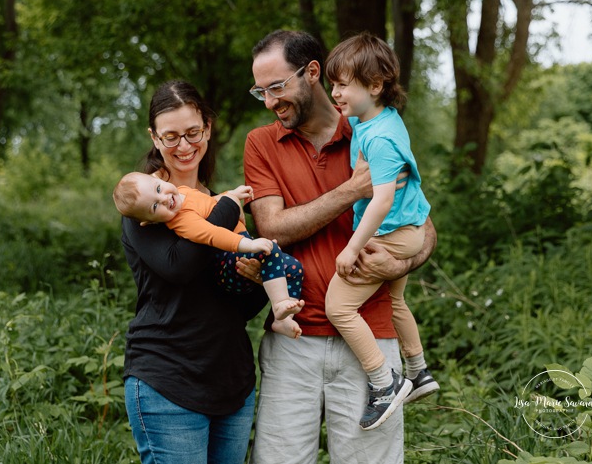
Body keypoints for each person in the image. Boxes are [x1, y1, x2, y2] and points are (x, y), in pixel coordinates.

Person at [239, 30, 437, 463]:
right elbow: (272, 227)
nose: (270, 101)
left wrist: (399, 262)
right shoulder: (262, 143)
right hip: (293, 341)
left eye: (277, 87)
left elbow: (422, 224)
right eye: (262, 91)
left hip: (371, 338)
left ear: (311, 73)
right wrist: (351, 190)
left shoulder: (372, 127)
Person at [119, 79, 269, 464]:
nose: (184, 147)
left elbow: (242, 303)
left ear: (208, 128)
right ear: (154, 138)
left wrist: (254, 280)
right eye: (171, 137)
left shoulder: (216, 201)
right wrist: (227, 209)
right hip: (168, 380)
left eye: (192, 133)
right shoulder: (145, 204)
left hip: (231, 382)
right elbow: (181, 266)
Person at [323, 32, 439, 431]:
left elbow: (382, 200)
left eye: (343, 85)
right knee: (395, 300)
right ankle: (419, 370)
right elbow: (343, 113)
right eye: (333, 83)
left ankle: (384, 381)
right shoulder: (373, 117)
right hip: (407, 227)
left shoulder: (383, 138)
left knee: (337, 306)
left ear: (375, 86)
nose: (335, 93)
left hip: (396, 231)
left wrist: (351, 249)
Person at [113, 172, 304, 338]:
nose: (163, 198)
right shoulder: (183, 221)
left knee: (294, 268)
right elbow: (213, 234)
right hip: (229, 260)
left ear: (159, 179)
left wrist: (231, 195)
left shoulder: (184, 192)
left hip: (239, 251)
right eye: (155, 207)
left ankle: (284, 319)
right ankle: (279, 303)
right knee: (269, 249)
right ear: (150, 222)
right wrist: (250, 244)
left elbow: (211, 204)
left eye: (158, 189)